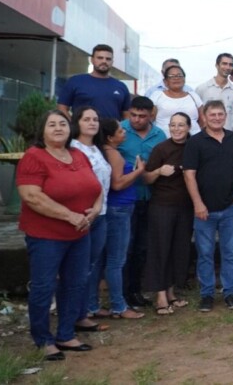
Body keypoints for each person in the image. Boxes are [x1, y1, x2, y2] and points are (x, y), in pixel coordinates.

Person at [17, 110, 103, 361]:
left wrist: (96, 209)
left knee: (75, 284)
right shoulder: (34, 157)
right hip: (47, 236)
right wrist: (69, 215)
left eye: (63, 124)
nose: (58, 128)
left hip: (80, 233)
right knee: (44, 286)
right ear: (42, 130)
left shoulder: (78, 154)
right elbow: (32, 196)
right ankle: (43, 340)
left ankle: (66, 334)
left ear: (70, 128)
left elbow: (95, 185)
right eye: (51, 124)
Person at [183, 101, 233, 312]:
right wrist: (197, 203)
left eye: (220, 114)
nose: (217, 118)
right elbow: (189, 174)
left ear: (226, 116)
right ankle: (207, 295)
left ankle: (230, 293)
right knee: (205, 253)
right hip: (204, 210)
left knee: (230, 253)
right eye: (213, 114)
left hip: (229, 207)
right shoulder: (195, 141)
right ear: (205, 116)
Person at [141, 113, 194, 315]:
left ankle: (172, 292)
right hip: (162, 206)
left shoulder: (194, 146)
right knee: (160, 249)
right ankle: (160, 295)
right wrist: (158, 172)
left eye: (181, 125)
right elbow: (146, 178)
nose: (177, 129)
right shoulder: (161, 148)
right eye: (173, 125)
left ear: (189, 127)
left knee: (179, 250)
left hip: (186, 206)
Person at [119, 97, 166, 309]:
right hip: (124, 198)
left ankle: (136, 291)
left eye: (142, 116)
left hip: (151, 198)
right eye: (133, 115)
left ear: (151, 115)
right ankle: (121, 293)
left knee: (142, 247)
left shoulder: (159, 135)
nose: (137, 120)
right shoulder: (119, 131)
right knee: (124, 247)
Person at [69, 107, 112, 331]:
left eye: (95, 119)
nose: (92, 123)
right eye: (87, 119)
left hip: (101, 213)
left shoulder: (96, 148)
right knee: (78, 267)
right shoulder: (73, 149)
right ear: (77, 123)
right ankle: (77, 314)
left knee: (90, 265)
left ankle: (85, 309)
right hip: (82, 216)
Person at [99, 119, 146, 319]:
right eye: (120, 130)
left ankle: (94, 304)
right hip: (120, 208)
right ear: (110, 137)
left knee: (105, 259)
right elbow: (118, 184)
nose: (124, 132)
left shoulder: (104, 152)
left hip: (115, 208)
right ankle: (118, 304)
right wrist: (138, 171)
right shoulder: (114, 155)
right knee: (116, 260)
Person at [57, 44, 131, 121]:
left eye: (108, 59)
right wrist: (73, 126)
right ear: (92, 60)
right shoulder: (75, 82)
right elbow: (62, 108)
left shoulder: (121, 86)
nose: (104, 61)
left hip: (112, 132)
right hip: (83, 132)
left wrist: (121, 130)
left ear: (112, 62)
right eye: (100, 58)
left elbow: (127, 116)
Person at [152, 65, 204, 137]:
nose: (176, 78)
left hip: (193, 141)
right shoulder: (157, 96)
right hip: (164, 141)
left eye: (179, 75)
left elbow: (203, 120)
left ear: (184, 79)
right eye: (172, 76)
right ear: (165, 81)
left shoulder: (193, 96)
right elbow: (149, 119)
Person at [195, 53, 233, 131]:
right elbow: (197, 114)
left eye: (230, 65)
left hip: (227, 138)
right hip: (206, 136)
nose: (227, 67)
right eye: (224, 64)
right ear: (217, 65)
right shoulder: (202, 88)